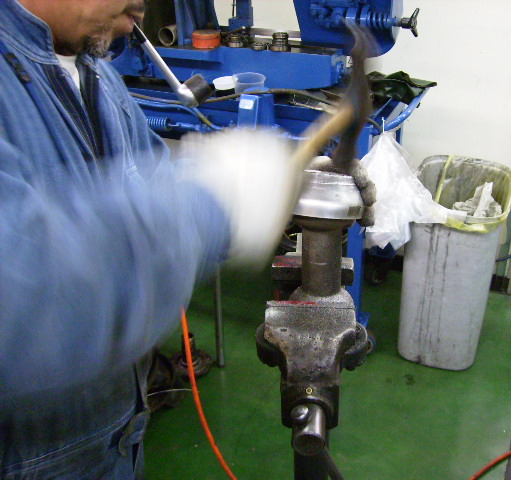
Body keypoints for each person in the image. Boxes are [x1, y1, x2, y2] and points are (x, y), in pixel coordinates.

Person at [0, 0, 305, 478]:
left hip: (118, 438)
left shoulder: (98, 72)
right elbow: (18, 302)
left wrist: (261, 192)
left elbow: (153, 182)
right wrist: (211, 206)